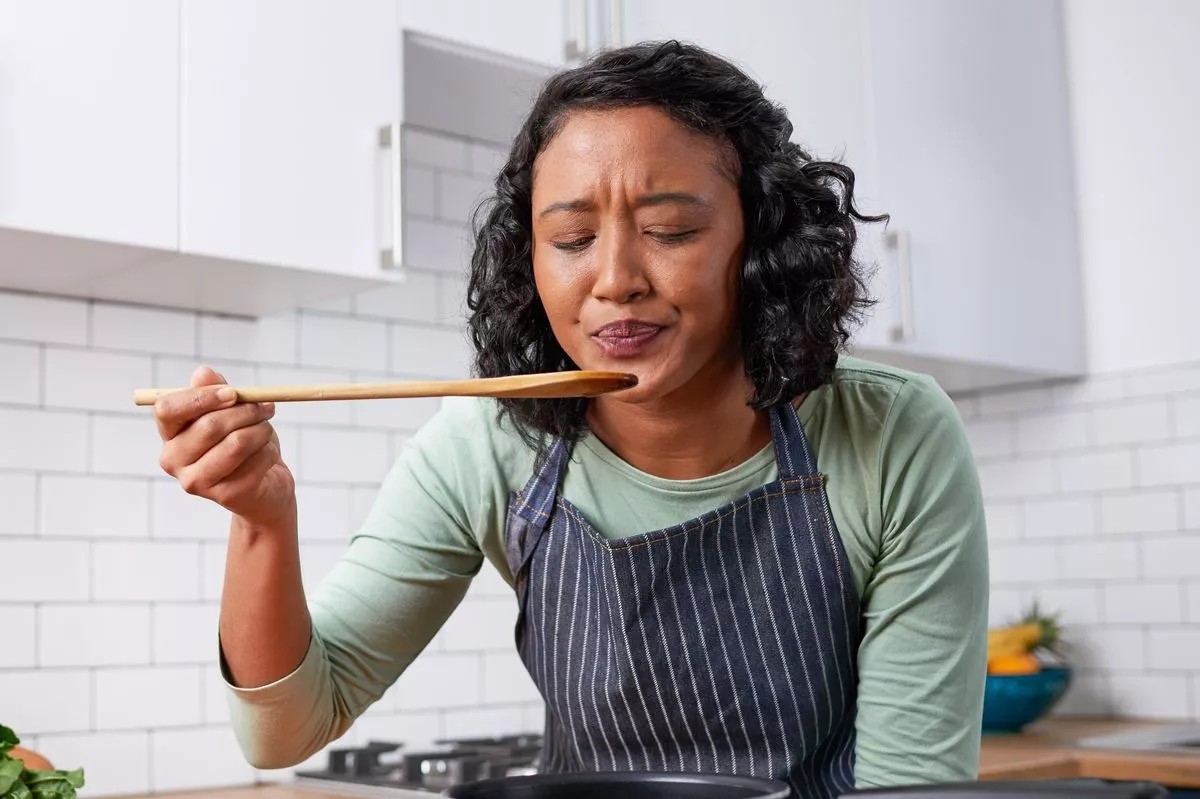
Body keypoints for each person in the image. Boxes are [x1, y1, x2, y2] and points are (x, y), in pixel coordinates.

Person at [153, 41, 988, 799]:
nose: (615, 277)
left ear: (763, 237)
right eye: (572, 237)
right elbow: (283, 729)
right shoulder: (487, 444)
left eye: (671, 229)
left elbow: (909, 791)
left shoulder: (894, 433)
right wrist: (262, 517)